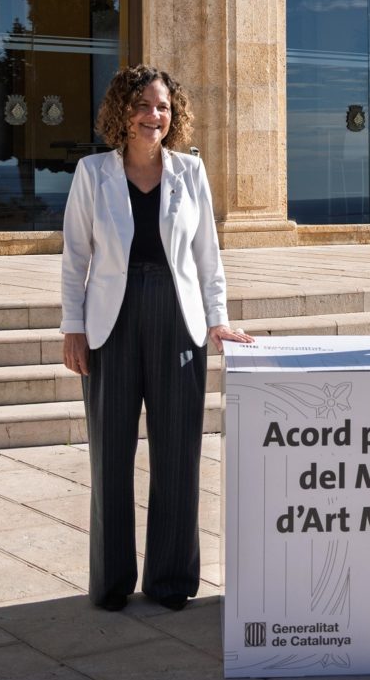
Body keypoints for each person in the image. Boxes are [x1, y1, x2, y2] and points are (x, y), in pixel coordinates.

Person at [61, 64, 253, 613]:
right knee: (110, 455)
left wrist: (217, 320)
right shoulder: (92, 172)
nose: (154, 116)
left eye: (164, 107)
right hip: (110, 323)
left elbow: (207, 258)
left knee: (178, 452)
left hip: (177, 316)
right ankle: (112, 581)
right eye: (143, 105)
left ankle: (170, 580)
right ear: (122, 111)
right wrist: (72, 326)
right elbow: (76, 257)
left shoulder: (190, 172)